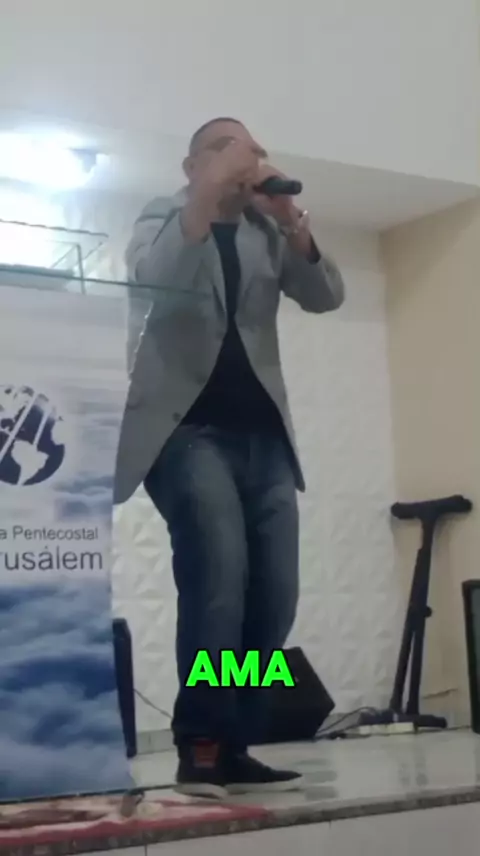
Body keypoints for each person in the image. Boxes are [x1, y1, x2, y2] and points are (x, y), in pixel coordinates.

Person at [115, 118, 345, 797]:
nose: (246, 158)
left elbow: (326, 296)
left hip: (264, 438)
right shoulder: (162, 216)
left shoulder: (266, 230)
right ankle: (202, 743)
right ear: (192, 166)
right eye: (225, 148)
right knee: (218, 579)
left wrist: (291, 219)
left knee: (274, 596)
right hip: (186, 432)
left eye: (251, 148)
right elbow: (154, 278)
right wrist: (207, 195)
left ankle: (236, 739)